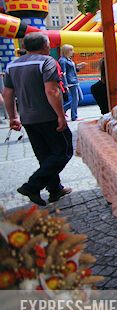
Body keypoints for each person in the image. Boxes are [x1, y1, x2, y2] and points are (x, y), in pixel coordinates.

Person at [2, 33, 73, 206]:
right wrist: (60, 115)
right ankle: (32, 186)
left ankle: (55, 189)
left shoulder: (11, 65)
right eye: (48, 44)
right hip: (48, 116)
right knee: (64, 152)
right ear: (45, 46)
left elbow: (7, 94)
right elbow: (52, 91)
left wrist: (13, 117)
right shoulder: (46, 61)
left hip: (28, 118)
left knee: (45, 155)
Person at [58, 44, 86, 121]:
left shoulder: (68, 59)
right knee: (75, 98)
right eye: (71, 50)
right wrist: (65, 84)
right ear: (66, 51)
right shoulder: (63, 60)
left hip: (75, 81)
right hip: (71, 82)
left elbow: (71, 70)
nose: (72, 52)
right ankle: (74, 116)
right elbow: (63, 73)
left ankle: (62, 110)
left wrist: (78, 67)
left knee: (80, 98)